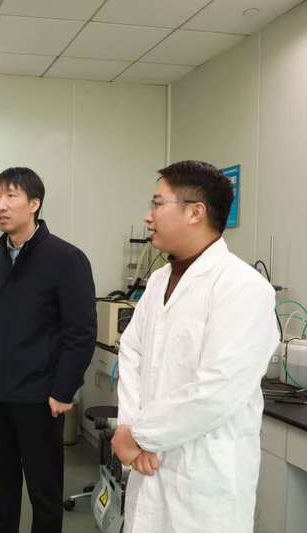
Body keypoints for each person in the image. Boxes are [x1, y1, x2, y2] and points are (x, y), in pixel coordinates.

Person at [111, 160, 279, 533]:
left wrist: (139, 435)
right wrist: (129, 427)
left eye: (158, 204)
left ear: (195, 212)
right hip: (147, 463)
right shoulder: (159, 280)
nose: (148, 215)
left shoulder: (243, 287)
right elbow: (132, 351)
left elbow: (217, 390)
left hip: (203, 481)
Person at [0, 168, 97, 533]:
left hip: (39, 395)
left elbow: (81, 333)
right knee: (1, 480)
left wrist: (63, 389)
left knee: (44, 489)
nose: (1, 205)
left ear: (34, 204)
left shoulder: (66, 258)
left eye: (11, 196)